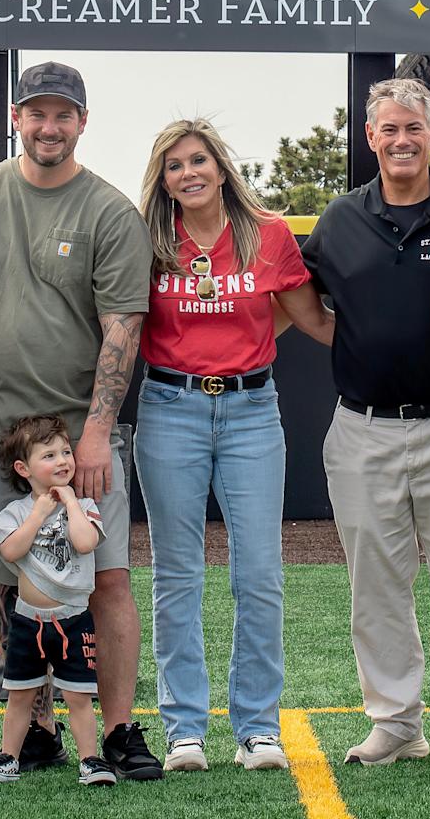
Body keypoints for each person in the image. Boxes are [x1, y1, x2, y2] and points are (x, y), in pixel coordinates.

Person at [0, 61, 159, 780]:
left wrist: (97, 430)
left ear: (82, 123)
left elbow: (122, 328)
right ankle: (36, 726)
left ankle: (119, 728)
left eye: (63, 115)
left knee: (108, 577)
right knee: (11, 580)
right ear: (15, 117)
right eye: (37, 113)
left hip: (75, 430)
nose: (49, 126)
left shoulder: (111, 212)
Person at [300, 76, 430, 770]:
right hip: (362, 427)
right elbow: (307, 304)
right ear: (371, 138)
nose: (400, 140)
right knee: (375, 583)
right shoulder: (337, 220)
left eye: (413, 128)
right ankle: (394, 721)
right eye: (388, 129)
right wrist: (361, 342)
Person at [132, 118, 330, 774]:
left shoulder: (268, 234)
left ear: (220, 166)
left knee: (260, 574)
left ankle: (256, 728)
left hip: (250, 409)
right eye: (174, 166)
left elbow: (310, 320)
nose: (188, 173)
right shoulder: (148, 239)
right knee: (177, 575)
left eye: (198, 161)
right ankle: (185, 728)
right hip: (170, 407)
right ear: (162, 179)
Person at [0, 413, 114, 787]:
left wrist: (70, 503)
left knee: (78, 697)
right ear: (24, 468)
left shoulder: (84, 507)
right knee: (20, 696)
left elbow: (85, 543)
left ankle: (90, 759)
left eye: (65, 452)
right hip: (27, 621)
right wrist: (37, 514)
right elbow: (10, 551)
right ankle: (9, 756)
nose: (62, 461)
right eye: (49, 455)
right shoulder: (15, 513)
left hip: (73, 620)